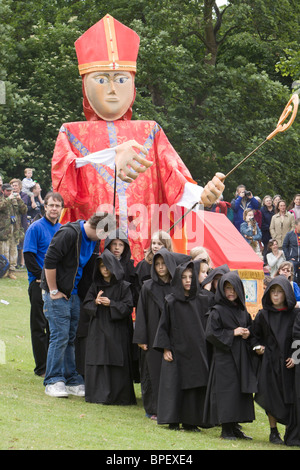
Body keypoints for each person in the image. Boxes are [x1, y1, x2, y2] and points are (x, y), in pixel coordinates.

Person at [51, 14, 225, 264]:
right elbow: (63, 187)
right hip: (91, 246)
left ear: (132, 83)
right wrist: (111, 155)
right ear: (85, 85)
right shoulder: (70, 133)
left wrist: (202, 194)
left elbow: (173, 177)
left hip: (142, 242)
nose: (112, 89)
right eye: (101, 79)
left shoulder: (150, 131)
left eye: (121, 79)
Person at [40, 212, 114, 398]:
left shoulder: (94, 240)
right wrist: (53, 290)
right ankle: (53, 380)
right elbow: (49, 261)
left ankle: (71, 378)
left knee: (71, 336)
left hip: (74, 295)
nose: (104, 239)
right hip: (57, 293)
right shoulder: (69, 233)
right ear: (98, 228)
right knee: (59, 336)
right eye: (104, 234)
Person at [153, 261, 210, 431]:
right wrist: (165, 348)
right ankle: (173, 420)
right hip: (176, 351)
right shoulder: (171, 301)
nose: (187, 281)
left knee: (193, 388)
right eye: (184, 277)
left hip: (196, 351)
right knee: (174, 386)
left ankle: (191, 422)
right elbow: (164, 326)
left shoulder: (202, 300)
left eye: (191, 277)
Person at [204, 271, 257, 440]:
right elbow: (211, 334)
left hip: (241, 358)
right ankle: (226, 428)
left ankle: (235, 427)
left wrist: (248, 334)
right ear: (221, 290)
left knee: (239, 393)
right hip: (224, 359)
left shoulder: (243, 311)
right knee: (227, 393)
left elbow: (251, 330)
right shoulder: (217, 311)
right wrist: (232, 333)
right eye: (227, 288)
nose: (231, 292)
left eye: (234, 288)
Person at [83, 249, 136, 405]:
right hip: (98, 329)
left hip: (117, 330)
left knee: (116, 359)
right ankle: (97, 395)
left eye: (107, 266)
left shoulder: (124, 286)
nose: (105, 269)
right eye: (101, 266)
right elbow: (86, 304)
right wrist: (95, 302)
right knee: (98, 358)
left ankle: (118, 396)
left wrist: (111, 303)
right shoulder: (95, 286)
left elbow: (128, 307)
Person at [251, 276, 300, 446]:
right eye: (273, 291)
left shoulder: (295, 314)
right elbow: (254, 336)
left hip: (289, 363)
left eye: (280, 292)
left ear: (286, 293)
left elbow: (298, 337)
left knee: (290, 397)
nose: (276, 295)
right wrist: (258, 347)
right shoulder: (263, 315)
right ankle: (273, 431)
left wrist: (295, 357)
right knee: (270, 396)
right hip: (269, 363)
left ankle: (291, 429)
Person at [133, 248, 177, 419]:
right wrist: (141, 337)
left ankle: (170, 408)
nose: (160, 267)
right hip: (151, 335)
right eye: (157, 264)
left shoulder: (176, 286)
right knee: (152, 373)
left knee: (169, 373)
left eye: (163, 264)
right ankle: (153, 408)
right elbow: (141, 312)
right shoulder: (147, 286)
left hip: (171, 335)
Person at [23, 192, 64, 376]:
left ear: (61, 209)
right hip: (39, 284)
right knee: (39, 326)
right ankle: (42, 367)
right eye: (51, 205)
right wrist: (40, 278)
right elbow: (29, 256)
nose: (54, 208)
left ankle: (53, 364)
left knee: (54, 326)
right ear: (45, 206)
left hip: (56, 286)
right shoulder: (36, 227)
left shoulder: (63, 230)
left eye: (57, 205)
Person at [0, 183, 27, 280]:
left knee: (13, 252)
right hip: (4, 231)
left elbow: (24, 210)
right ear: (3, 191)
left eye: (11, 190)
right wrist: (8, 199)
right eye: (8, 190)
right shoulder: (2, 199)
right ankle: (3, 271)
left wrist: (19, 200)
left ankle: (11, 271)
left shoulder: (16, 199)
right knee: (4, 252)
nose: (10, 192)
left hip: (14, 230)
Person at [135, 230, 173, 295]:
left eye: (159, 244)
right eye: (153, 243)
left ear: (167, 245)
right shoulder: (144, 265)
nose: (155, 246)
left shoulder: (172, 263)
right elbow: (137, 288)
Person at [10, 178, 31, 268]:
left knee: (22, 242)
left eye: (16, 185)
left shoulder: (24, 195)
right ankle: (13, 262)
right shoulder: (8, 195)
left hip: (21, 221)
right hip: (10, 223)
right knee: (13, 242)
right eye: (12, 186)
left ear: (20, 187)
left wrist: (18, 199)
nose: (14, 187)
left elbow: (23, 207)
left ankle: (22, 263)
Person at [282, 218, 300, 286]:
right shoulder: (290, 234)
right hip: (293, 259)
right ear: (296, 225)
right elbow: (284, 246)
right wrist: (288, 257)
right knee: (293, 277)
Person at [261, 195, 275, 259]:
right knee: (266, 248)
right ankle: (265, 261)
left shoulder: (275, 209)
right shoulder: (262, 210)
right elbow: (262, 222)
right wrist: (270, 228)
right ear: (264, 202)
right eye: (267, 201)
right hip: (266, 232)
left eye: (269, 200)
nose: (269, 202)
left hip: (275, 231)